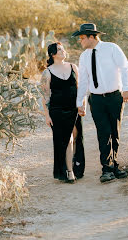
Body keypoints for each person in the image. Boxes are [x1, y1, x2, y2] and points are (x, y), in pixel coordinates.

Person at [73, 23, 128, 183]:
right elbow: (83, 81)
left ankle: (115, 166)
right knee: (103, 133)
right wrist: (80, 101)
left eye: (82, 38)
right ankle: (106, 168)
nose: (80, 41)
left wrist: (126, 88)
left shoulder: (111, 48)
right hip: (96, 99)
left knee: (115, 132)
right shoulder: (84, 56)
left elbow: (125, 68)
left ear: (92, 36)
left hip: (114, 97)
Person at [40, 42, 85, 183]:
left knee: (76, 137)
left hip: (74, 108)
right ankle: (69, 171)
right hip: (57, 110)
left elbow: (81, 88)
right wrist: (47, 116)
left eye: (63, 48)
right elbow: (45, 96)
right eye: (59, 49)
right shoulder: (47, 73)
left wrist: (82, 105)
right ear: (53, 54)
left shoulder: (73, 67)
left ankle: (76, 166)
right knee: (67, 139)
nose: (63, 51)